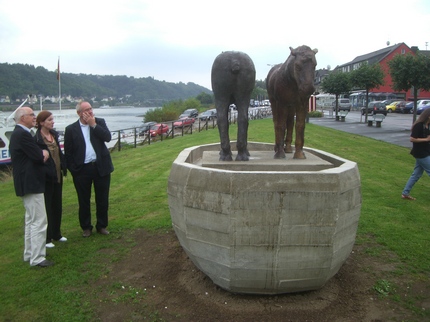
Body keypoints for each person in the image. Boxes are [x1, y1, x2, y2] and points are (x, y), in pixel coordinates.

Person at [9, 106, 53, 267]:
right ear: (22, 118)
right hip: (31, 183)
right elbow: (37, 155)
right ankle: (38, 258)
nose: (34, 117)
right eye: (31, 115)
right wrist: (44, 153)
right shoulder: (23, 135)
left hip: (25, 183)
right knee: (39, 221)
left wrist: (42, 153)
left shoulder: (19, 134)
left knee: (31, 220)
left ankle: (29, 253)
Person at [64, 101, 114, 237]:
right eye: (86, 110)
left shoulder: (99, 122)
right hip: (82, 170)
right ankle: (86, 227)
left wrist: (94, 125)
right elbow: (68, 153)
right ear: (79, 113)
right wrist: (74, 170)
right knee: (83, 200)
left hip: (100, 167)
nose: (90, 112)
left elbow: (108, 137)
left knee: (102, 198)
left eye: (91, 109)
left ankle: (102, 225)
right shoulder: (71, 129)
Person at [35, 111, 67, 248]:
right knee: (47, 206)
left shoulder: (54, 135)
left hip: (57, 175)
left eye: (52, 119)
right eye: (49, 120)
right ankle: (47, 238)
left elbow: (59, 153)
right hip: (46, 177)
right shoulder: (37, 139)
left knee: (57, 205)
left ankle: (56, 233)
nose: (52, 122)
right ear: (42, 122)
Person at [401, 108, 430, 200]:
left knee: (416, 174)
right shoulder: (418, 125)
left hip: (426, 152)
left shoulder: (428, 126)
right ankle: (405, 193)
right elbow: (412, 139)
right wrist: (426, 139)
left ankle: (405, 193)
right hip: (420, 153)